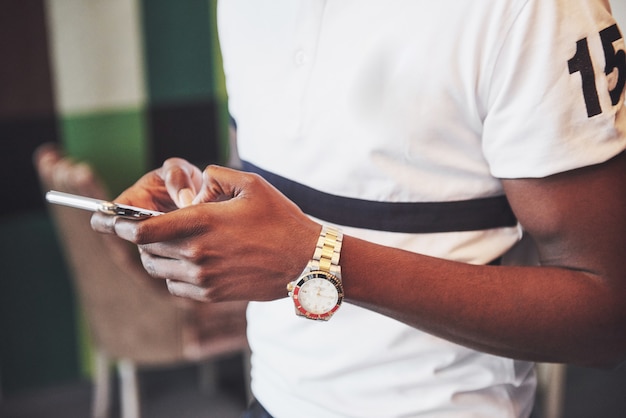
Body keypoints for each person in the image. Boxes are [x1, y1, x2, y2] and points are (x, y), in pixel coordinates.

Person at [92, 0, 626, 416]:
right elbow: (272, 181)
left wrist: (317, 261)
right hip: (272, 399)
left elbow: (607, 316)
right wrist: (198, 201)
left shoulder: (533, 11)